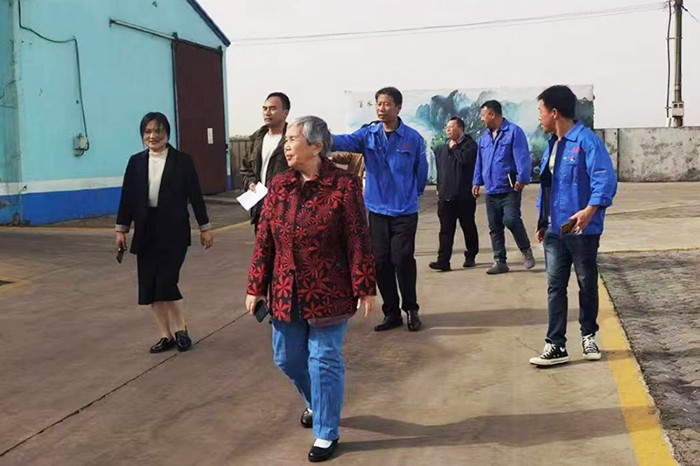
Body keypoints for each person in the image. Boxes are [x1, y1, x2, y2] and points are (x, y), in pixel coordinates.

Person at [245, 116, 376, 462]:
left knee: (324, 359)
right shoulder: (279, 185)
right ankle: (316, 402)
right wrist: (256, 286)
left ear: (316, 147)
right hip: (285, 288)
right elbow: (265, 239)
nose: (286, 146)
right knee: (286, 358)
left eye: (293, 139)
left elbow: (357, 237)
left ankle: (326, 432)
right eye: (286, 140)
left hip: (329, 289)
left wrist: (364, 285)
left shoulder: (344, 185)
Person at [529, 85, 617, 367]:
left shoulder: (587, 141)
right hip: (555, 230)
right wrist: (542, 220)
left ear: (554, 112)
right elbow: (547, 186)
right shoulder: (553, 145)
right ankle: (556, 344)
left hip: (582, 230)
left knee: (586, 283)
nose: (539, 117)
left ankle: (588, 335)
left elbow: (604, 179)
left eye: (541, 111)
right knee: (555, 286)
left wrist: (590, 210)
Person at [332, 87, 428, 332]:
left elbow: (421, 170)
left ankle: (411, 309)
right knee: (381, 262)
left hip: (404, 211)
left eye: (386, 104)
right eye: (378, 104)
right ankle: (391, 313)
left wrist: (411, 194)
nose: (381, 109)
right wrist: (318, 134)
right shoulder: (368, 135)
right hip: (376, 211)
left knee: (402, 259)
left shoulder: (412, 138)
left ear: (398, 107)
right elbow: (343, 141)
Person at [116, 112, 213, 353]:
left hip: (174, 230)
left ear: (167, 133)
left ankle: (181, 330)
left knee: (167, 281)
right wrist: (121, 230)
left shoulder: (183, 161)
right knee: (150, 285)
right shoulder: (135, 162)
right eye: (147, 131)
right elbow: (127, 198)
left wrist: (205, 227)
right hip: (145, 229)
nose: (153, 136)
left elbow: (196, 196)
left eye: (158, 131)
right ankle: (165, 335)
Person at [472, 100, 536, 275]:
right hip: (491, 189)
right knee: (494, 227)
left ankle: (526, 250)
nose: (481, 119)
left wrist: (522, 178)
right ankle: (500, 261)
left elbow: (522, 156)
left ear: (492, 114)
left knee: (511, 219)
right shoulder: (484, 138)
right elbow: (479, 162)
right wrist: (476, 181)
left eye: (483, 115)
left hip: (509, 188)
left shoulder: (514, 132)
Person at [429, 116, 479, 271]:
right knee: (445, 230)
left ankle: (470, 255)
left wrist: (455, 148)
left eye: (451, 127)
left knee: (468, 227)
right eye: (447, 127)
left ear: (460, 128)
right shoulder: (443, 148)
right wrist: (439, 186)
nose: (448, 129)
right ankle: (443, 261)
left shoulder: (470, 145)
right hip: (446, 196)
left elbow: (465, 160)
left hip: (464, 196)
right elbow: (441, 169)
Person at [240, 92, 291, 231]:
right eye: (265, 108)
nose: (267, 112)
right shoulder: (257, 139)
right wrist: (250, 183)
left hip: (284, 210)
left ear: (285, 113)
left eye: (273, 108)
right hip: (260, 209)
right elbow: (246, 169)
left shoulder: (292, 140)